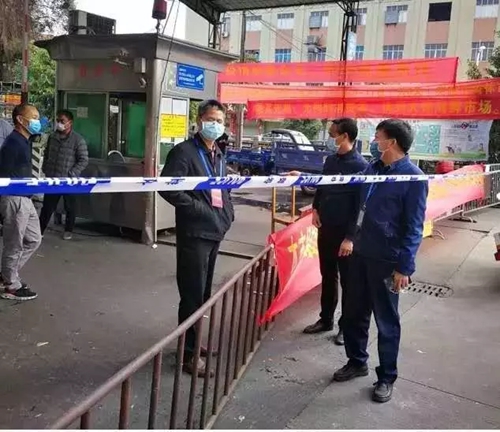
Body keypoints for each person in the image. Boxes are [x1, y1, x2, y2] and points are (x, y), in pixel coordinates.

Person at [333, 119, 428, 404]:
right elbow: (355, 202)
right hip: (361, 253)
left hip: (387, 260)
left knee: (386, 322)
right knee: (354, 313)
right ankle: (356, 361)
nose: (374, 142)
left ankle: (386, 377)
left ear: (392, 143)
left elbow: (414, 226)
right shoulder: (371, 170)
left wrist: (404, 267)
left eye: (377, 137)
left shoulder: (413, 178)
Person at [159, 99, 234, 377]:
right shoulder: (184, 152)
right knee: (192, 294)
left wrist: (227, 214)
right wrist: (201, 210)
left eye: (220, 121)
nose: (216, 125)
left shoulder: (217, 153)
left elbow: (223, 188)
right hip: (195, 232)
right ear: (200, 120)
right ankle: (189, 356)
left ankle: (193, 342)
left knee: (203, 294)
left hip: (214, 231)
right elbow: (168, 188)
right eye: (211, 120)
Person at [302, 118, 368, 345]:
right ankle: (326, 319)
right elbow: (322, 187)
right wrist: (315, 209)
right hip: (326, 228)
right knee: (328, 276)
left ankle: (345, 327)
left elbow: (360, 206)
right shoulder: (331, 160)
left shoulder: (360, 166)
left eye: (332, 134)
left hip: (345, 235)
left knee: (349, 282)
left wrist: (350, 237)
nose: (330, 138)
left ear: (345, 136)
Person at [0, 104, 43, 300]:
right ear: (20, 119)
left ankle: (7, 275)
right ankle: (11, 285)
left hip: (25, 198)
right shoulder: (13, 143)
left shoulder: (24, 141)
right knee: (14, 243)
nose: (37, 121)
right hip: (14, 199)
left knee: (34, 239)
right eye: (33, 117)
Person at [39, 109, 88, 240]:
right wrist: (45, 168)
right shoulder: (53, 137)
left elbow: (83, 160)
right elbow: (47, 154)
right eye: (58, 120)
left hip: (69, 180)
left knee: (70, 207)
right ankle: (39, 230)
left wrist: (72, 173)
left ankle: (68, 230)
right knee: (47, 207)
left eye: (62, 121)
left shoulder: (78, 140)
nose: (59, 123)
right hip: (53, 179)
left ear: (70, 123)